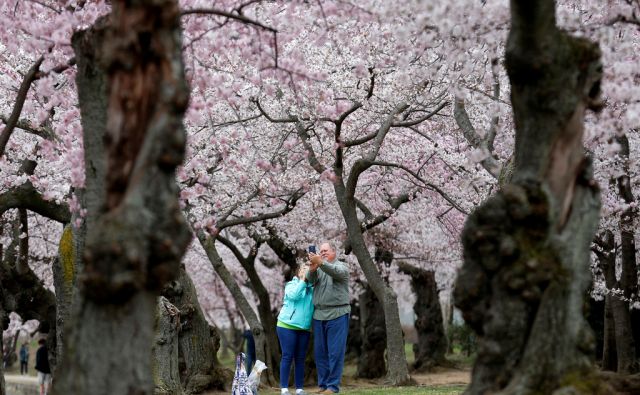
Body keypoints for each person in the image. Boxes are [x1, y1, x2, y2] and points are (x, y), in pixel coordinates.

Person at [306, 242, 349, 394]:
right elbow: (309, 280)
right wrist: (312, 270)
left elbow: (335, 272)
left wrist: (321, 262)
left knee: (335, 352)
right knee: (320, 353)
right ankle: (323, 385)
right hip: (319, 315)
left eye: (326, 251)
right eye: (321, 251)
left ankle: (333, 386)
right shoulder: (319, 268)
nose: (323, 253)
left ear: (334, 252)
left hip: (337, 314)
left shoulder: (341, 267)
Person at [276, 262, 314, 395]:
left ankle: (299, 389)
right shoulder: (291, 285)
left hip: (304, 328)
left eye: (309, 269)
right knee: (287, 356)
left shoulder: (312, 288)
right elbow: (295, 296)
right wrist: (303, 281)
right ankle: (284, 388)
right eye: (304, 269)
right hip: (287, 325)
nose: (306, 270)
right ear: (299, 272)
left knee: (300, 358)